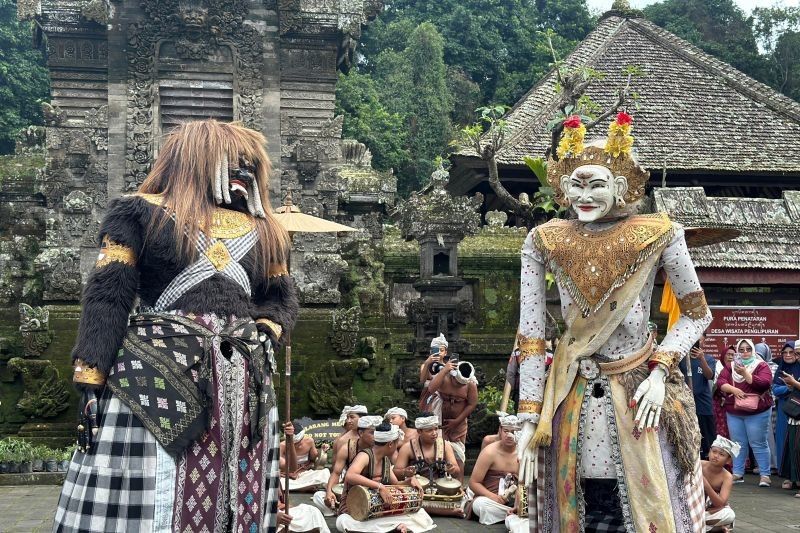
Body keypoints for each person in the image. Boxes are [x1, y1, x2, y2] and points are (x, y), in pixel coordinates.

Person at [56, 120, 298, 532]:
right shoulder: (137, 212)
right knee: (151, 484)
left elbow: (280, 296)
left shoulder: (268, 230)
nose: (241, 171)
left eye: (248, 164)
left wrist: (266, 331)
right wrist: (91, 376)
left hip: (244, 384)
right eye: (231, 162)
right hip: (154, 378)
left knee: (242, 485)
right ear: (195, 161)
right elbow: (108, 295)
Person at [515, 114, 712, 532]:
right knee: (573, 507)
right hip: (569, 390)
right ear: (564, 187)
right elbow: (531, 336)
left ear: (621, 188)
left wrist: (660, 371)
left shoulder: (660, 233)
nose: (585, 195)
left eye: (597, 184)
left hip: (639, 388)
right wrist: (529, 417)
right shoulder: (543, 239)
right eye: (577, 185)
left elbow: (697, 313)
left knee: (650, 507)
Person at [336, 423, 434, 533]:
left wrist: (409, 480)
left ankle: (390, 527)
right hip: (354, 511)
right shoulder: (365, 456)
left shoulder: (385, 460)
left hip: (375, 511)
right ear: (391, 444)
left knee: (421, 515)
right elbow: (350, 475)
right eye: (397, 444)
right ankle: (392, 527)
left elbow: (396, 484)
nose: (397, 447)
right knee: (343, 522)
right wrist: (380, 487)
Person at [716, 338, 774, 485]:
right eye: (741, 350)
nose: (745, 352)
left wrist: (745, 373)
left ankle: (765, 475)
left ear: (753, 350)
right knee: (737, 443)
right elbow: (721, 382)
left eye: (748, 349)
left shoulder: (761, 365)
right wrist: (733, 389)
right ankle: (737, 473)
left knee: (758, 443)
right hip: (735, 411)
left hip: (757, 411)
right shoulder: (731, 366)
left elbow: (763, 384)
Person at [393, 414, 462, 516]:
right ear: (419, 431)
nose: (434, 433)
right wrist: (405, 472)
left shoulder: (445, 445)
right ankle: (446, 512)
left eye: (436, 429)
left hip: (441, 492)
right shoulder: (407, 447)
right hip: (417, 492)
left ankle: (433, 509)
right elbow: (395, 472)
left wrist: (452, 470)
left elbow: (457, 471)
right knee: (403, 499)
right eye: (429, 430)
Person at [312, 415, 382, 516]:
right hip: (350, 491)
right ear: (361, 433)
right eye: (372, 432)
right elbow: (336, 473)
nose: (376, 436)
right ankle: (344, 510)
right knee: (318, 496)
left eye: (377, 432)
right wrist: (329, 492)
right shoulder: (347, 448)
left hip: (374, 491)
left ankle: (344, 512)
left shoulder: (381, 447)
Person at [466, 415, 522, 526]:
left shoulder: (524, 453)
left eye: (514, 432)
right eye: (506, 431)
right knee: (480, 505)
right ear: (500, 431)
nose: (510, 435)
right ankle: (513, 516)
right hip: (490, 500)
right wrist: (494, 497)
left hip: (515, 502)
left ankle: (514, 513)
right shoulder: (489, 452)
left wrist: (518, 504)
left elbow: (526, 485)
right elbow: (473, 483)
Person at [425, 358, 478, 469]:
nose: (459, 385)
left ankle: (458, 483)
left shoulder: (471, 384)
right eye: (457, 383)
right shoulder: (444, 377)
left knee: (458, 455)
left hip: (458, 423)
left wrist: (457, 421)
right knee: (438, 449)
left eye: (461, 384)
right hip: (439, 421)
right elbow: (430, 388)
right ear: (453, 375)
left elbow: (472, 404)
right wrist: (444, 370)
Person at [678, 333, 717, 458]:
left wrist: (702, 359)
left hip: (703, 405)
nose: (697, 342)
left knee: (707, 439)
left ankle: (708, 462)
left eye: (700, 340)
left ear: (704, 342)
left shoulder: (709, 358)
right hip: (685, 404)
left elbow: (709, 376)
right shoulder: (682, 359)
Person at [774, 340, 800, 495]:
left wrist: (794, 384)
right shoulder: (783, 368)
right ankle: (791, 477)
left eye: (796, 353)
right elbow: (775, 388)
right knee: (790, 446)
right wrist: (790, 386)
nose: (793, 356)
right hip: (790, 411)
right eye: (789, 353)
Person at [702, 436, 739, 532]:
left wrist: (706, 486)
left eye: (721, 454)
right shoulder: (699, 464)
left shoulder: (727, 477)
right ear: (709, 452)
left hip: (709, 510)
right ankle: (712, 528)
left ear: (728, 460)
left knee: (729, 515)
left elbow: (720, 504)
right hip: (693, 505)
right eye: (714, 452)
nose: (716, 456)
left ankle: (699, 526)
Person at [281, 421, 330, 492]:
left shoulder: (309, 441)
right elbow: (279, 466)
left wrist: (322, 450)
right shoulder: (282, 446)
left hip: (304, 474)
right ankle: (303, 488)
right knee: (280, 482)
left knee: (324, 473)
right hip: (287, 477)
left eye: (298, 442)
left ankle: (299, 488)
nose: (296, 445)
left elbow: (314, 458)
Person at [755, 342, 779, 474]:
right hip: (757, 406)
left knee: (772, 437)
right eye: (756, 354)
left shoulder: (773, 367)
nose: (758, 357)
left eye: (760, 354)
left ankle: (774, 464)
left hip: (772, 406)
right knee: (761, 437)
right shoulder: (752, 365)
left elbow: (770, 384)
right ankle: (765, 465)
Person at [712, 346, 736, 443]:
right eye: (728, 354)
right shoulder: (718, 368)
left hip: (736, 407)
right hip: (720, 408)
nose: (731, 357)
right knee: (722, 433)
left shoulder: (739, 370)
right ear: (723, 356)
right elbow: (715, 388)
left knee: (735, 433)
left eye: (733, 355)